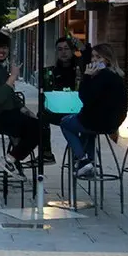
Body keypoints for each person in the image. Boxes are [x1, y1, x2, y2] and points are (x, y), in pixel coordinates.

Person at [0, 32, 43, 181]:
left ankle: (15, 160)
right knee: (37, 128)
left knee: (38, 125)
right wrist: (12, 77)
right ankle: (12, 159)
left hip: (3, 114)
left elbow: (10, 96)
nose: (2, 51)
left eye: (4, 48)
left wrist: (24, 109)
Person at [59, 43, 127, 178]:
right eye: (93, 57)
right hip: (113, 123)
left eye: (98, 57)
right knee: (86, 131)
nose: (94, 60)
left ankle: (83, 160)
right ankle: (90, 164)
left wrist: (87, 76)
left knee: (65, 122)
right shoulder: (117, 76)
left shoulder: (101, 76)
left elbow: (84, 97)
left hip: (97, 122)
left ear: (106, 59)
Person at [39, 37, 81, 165]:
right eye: (60, 49)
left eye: (66, 49)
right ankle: (46, 153)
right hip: (59, 111)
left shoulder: (81, 69)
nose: (63, 52)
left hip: (79, 112)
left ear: (73, 50)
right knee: (41, 116)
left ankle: (80, 155)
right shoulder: (51, 71)